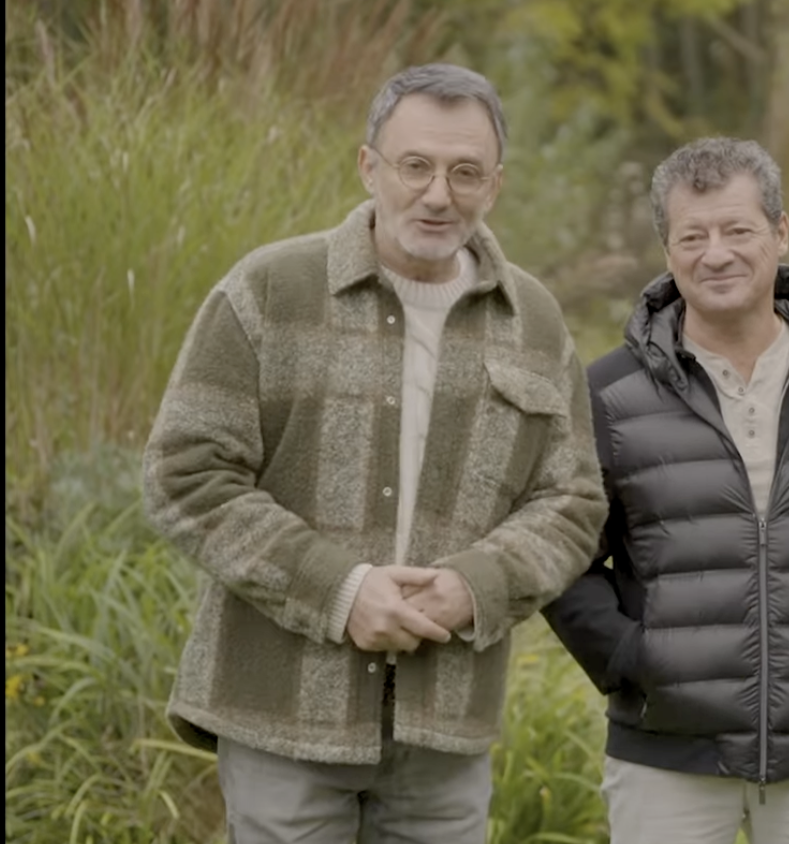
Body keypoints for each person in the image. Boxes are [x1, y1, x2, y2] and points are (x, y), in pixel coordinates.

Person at [141, 63, 608, 843]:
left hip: (445, 725)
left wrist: (476, 585)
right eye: (415, 165)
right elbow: (183, 475)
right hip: (282, 715)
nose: (437, 194)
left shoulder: (534, 320)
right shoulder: (269, 291)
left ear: (495, 184)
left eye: (465, 173)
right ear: (369, 167)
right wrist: (339, 589)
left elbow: (573, 502)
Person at [540, 137, 789, 844]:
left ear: (780, 232)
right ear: (668, 249)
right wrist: (632, 659)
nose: (716, 253)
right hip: (665, 755)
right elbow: (564, 558)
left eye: (738, 230)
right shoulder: (607, 395)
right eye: (693, 235)